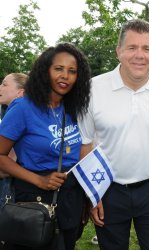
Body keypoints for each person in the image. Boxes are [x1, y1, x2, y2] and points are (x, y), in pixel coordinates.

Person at [78, 19, 149, 250]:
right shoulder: (92, 89)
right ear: (119, 51)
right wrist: (94, 194)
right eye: (132, 47)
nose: (139, 55)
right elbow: (85, 144)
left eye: (146, 48)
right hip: (108, 189)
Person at [0, 43, 91, 250]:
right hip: (34, 199)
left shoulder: (74, 108)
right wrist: (39, 180)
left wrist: (85, 198)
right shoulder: (24, 107)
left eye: (72, 71)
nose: (65, 76)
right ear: (45, 71)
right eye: (58, 69)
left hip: (71, 198)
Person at [0, 73, 28, 207]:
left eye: (4, 84)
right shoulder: (7, 111)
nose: (0, 87)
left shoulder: (19, 115)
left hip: (9, 188)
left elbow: (7, 165)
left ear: (20, 93)